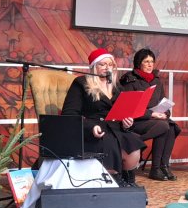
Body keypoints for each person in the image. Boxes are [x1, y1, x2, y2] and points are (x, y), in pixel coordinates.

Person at [62, 48, 145, 186]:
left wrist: (126, 122)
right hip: (91, 130)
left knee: (133, 142)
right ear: (94, 66)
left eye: (110, 64)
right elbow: (69, 114)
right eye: (103, 64)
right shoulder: (81, 83)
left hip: (115, 127)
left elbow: (123, 112)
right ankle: (113, 181)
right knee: (109, 143)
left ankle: (127, 178)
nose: (108, 68)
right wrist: (90, 127)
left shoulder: (117, 86)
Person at [118, 48, 182, 181]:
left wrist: (165, 112)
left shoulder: (156, 81)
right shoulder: (130, 80)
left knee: (170, 127)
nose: (149, 64)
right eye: (146, 61)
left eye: (152, 61)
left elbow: (163, 101)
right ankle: (152, 164)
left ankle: (163, 166)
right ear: (138, 63)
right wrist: (152, 114)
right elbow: (129, 108)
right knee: (163, 126)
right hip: (136, 121)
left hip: (155, 120)